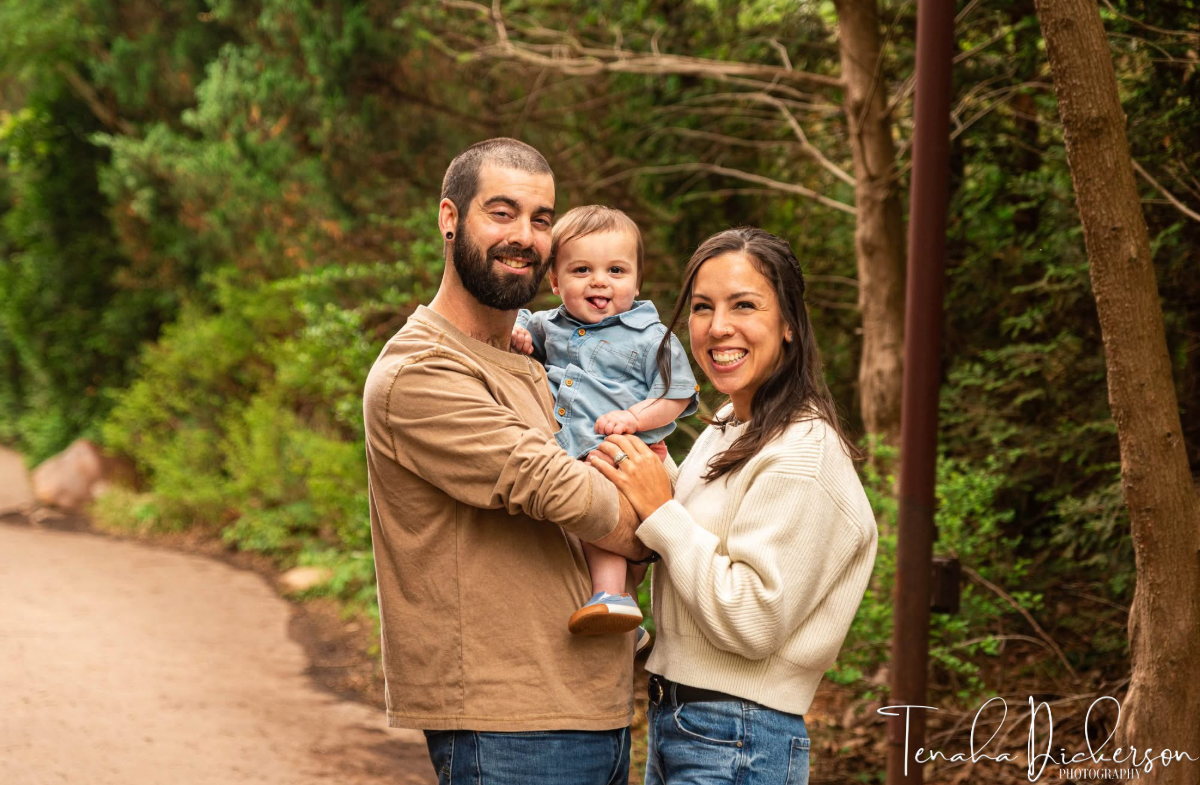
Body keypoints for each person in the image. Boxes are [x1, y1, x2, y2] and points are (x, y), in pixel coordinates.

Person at [362, 138, 647, 785]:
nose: (524, 236)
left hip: (597, 711)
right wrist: (660, 518)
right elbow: (569, 493)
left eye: (541, 219)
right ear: (450, 217)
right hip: (510, 728)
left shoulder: (537, 361)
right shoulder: (421, 370)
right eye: (502, 212)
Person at [589, 227, 879, 785]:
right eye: (703, 307)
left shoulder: (802, 450)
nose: (718, 326)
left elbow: (753, 619)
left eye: (743, 305)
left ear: (789, 323)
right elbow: (700, 532)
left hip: (738, 735)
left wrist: (660, 511)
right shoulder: (728, 425)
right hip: (686, 721)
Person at [511, 205, 699, 641]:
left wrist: (634, 417)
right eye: (581, 270)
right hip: (570, 450)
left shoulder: (652, 337)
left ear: (637, 281)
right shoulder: (549, 326)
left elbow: (677, 394)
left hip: (622, 452)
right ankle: (627, 620)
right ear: (555, 281)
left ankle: (612, 594)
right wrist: (519, 332)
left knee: (599, 517)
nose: (600, 281)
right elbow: (519, 322)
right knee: (569, 539)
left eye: (616, 270)